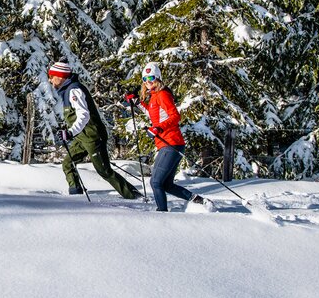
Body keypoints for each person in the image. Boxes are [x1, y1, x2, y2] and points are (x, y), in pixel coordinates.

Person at [47, 61, 142, 199]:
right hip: (82, 137)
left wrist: (70, 132)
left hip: (93, 136)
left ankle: (133, 195)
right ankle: (76, 195)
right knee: (68, 163)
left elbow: (84, 114)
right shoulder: (67, 91)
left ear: (60, 76)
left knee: (104, 171)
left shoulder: (74, 90)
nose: (50, 80)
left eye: (51, 76)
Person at [129, 62, 207, 212]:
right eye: (145, 79)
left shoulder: (162, 94)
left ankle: (162, 215)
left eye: (151, 78)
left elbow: (175, 116)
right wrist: (137, 103)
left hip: (171, 143)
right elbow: (153, 115)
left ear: (158, 77)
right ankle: (199, 201)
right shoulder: (153, 97)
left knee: (156, 182)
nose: (148, 82)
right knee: (166, 185)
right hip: (169, 143)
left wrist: (158, 128)